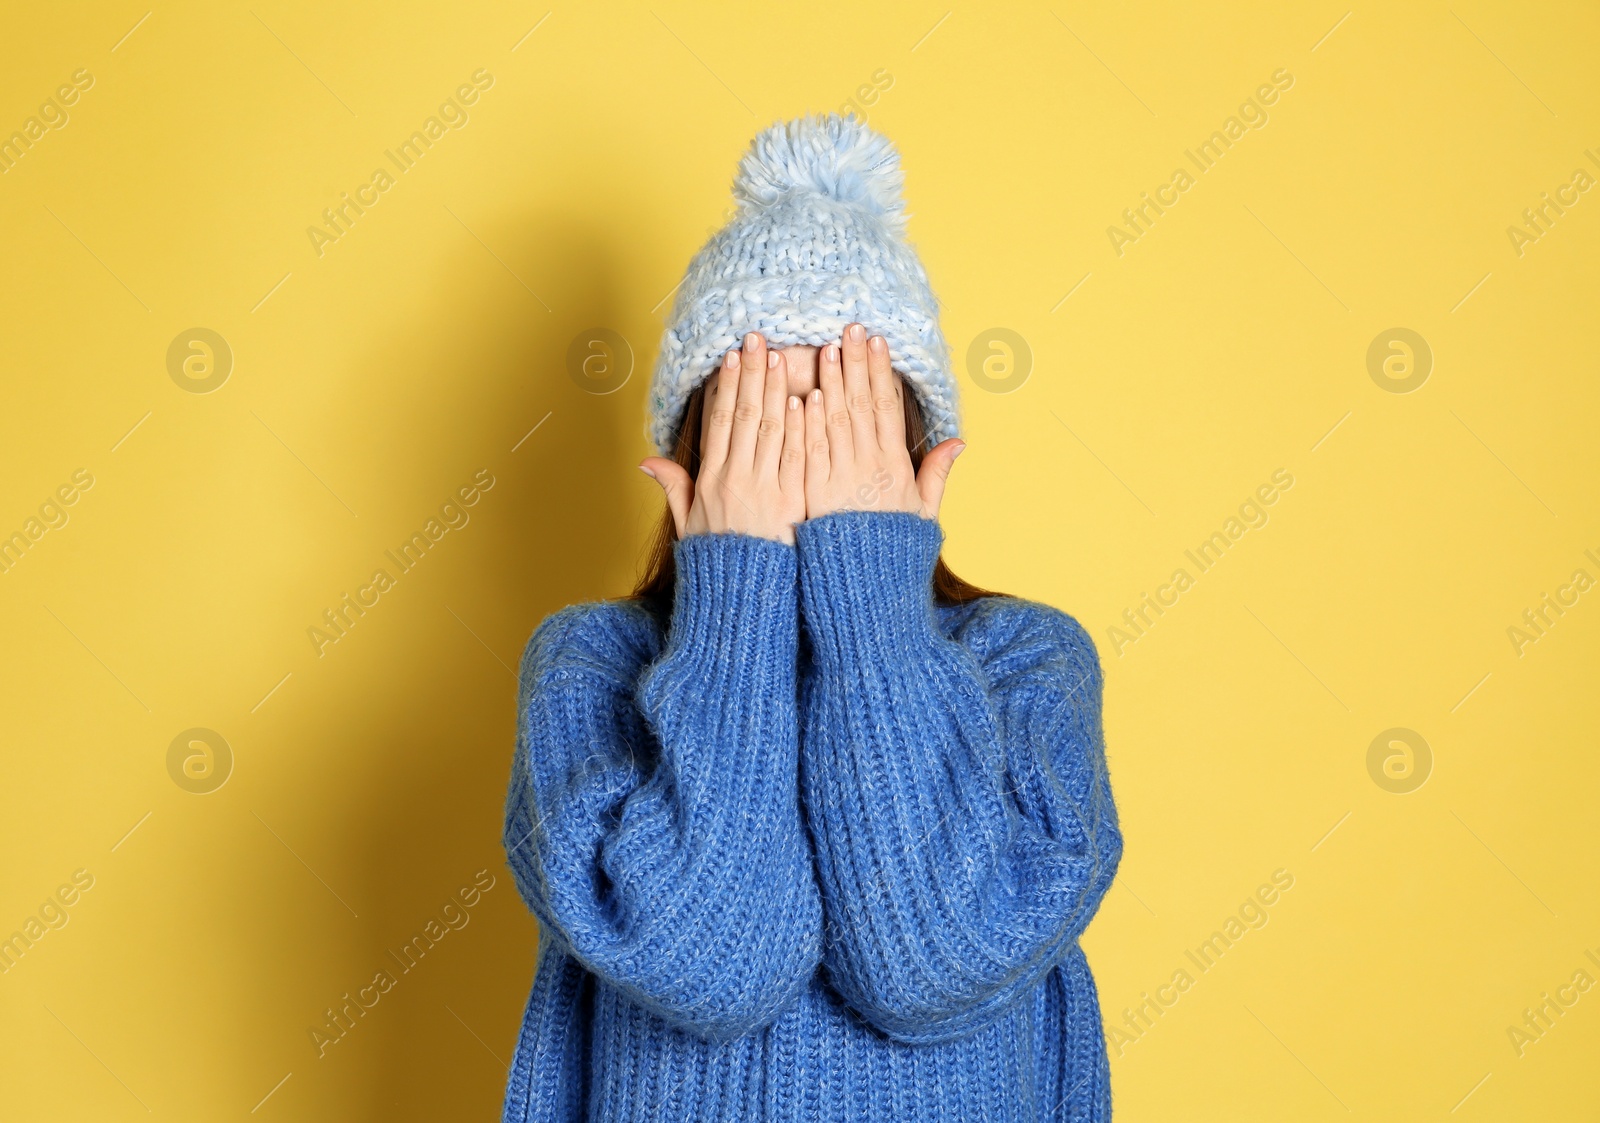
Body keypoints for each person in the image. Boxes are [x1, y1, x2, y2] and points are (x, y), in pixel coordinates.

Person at [500, 112, 1122, 1122]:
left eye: (843, 423)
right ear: (683, 468)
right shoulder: (586, 665)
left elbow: (928, 964)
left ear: (924, 465)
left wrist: (871, 594)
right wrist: (735, 594)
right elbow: (712, 966)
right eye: (760, 422)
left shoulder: (1027, 660)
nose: (800, 464)